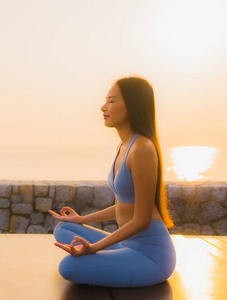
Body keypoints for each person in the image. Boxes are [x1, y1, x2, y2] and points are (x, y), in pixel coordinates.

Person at [48, 76, 176, 287]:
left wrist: (94, 247)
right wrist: (81, 220)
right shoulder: (124, 145)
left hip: (151, 256)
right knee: (63, 230)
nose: (102, 107)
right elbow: (123, 206)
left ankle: (105, 257)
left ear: (132, 106)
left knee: (68, 267)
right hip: (127, 244)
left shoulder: (142, 148)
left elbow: (141, 220)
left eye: (112, 101)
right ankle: (109, 254)